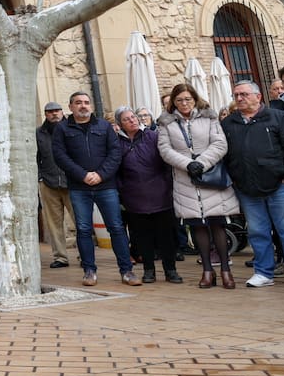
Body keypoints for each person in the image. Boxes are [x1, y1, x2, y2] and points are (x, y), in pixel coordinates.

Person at [221, 81, 284, 290]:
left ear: (258, 96)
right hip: (247, 189)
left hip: (281, 187)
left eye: (244, 94)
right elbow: (224, 155)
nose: (239, 98)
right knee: (257, 232)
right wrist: (235, 178)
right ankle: (263, 272)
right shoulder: (229, 124)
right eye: (236, 95)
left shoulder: (277, 117)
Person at [51, 91, 141, 287]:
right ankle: (89, 271)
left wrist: (100, 174)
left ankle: (127, 271)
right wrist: (83, 175)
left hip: (106, 185)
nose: (83, 106)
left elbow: (115, 153)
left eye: (86, 102)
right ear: (71, 107)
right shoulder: (62, 129)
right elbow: (60, 156)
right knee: (83, 230)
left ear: (90, 105)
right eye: (78, 103)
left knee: (116, 228)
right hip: (78, 187)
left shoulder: (104, 126)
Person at [157, 83, 237, 288]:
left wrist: (201, 163)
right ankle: (207, 270)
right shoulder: (166, 123)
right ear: (173, 102)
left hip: (210, 176)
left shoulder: (208, 117)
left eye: (188, 99)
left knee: (217, 223)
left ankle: (226, 270)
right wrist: (187, 164)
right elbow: (165, 149)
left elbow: (220, 144)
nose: (184, 103)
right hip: (185, 179)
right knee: (198, 226)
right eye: (179, 100)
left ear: (194, 99)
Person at [114, 107, 181, 284]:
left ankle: (170, 270)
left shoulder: (153, 136)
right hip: (134, 196)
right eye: (127, 119)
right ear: (120, 124)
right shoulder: (117, 143)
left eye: (133, 117)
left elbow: (167, 162)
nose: (133, 120)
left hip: (160, 193)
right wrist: (124, 189)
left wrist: (167, 185)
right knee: (142, 237)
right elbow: (116, 170)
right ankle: (149, 270)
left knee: (166, 235)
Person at [37, 102, 75, 269]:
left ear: (62, 112)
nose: (54, 114)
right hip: (49, 182)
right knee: (54, 223)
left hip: (73, 182)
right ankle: (60, 257)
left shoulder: (72, 129)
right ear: (45, 114)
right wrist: (40, 178)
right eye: (50, 112)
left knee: (80, 220)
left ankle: (85, 254)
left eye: (56, 111)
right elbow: (35, 157)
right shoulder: (39, 133)